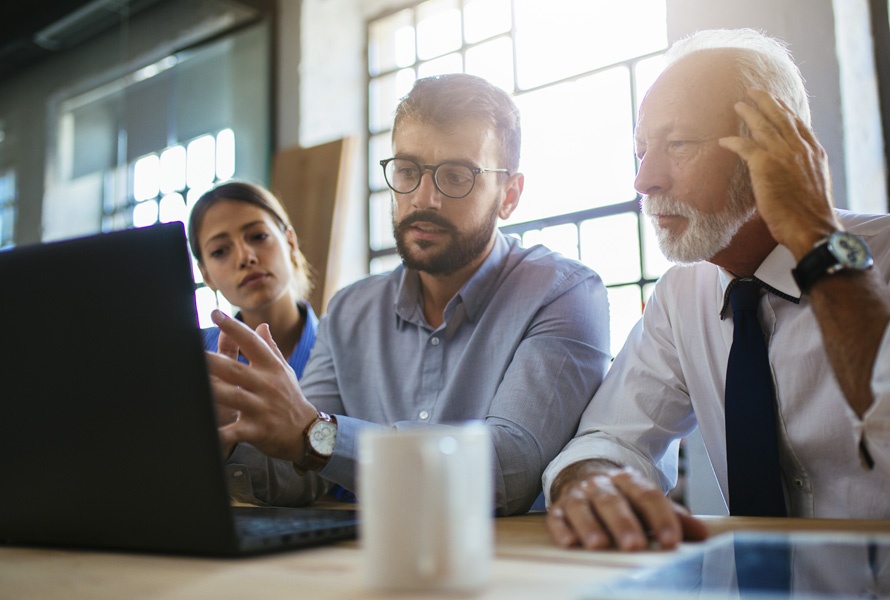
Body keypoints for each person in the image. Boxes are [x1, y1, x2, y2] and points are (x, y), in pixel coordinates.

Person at [543, 28, 890, 551]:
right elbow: (610, 437)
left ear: (778, 145)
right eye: (641, 151)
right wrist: (592, 480)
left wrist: (817, 241)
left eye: (677, 144)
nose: (645, 180)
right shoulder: (680, 296)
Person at [206, 73, 611, 514]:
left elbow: (509, 467)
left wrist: (315, 433)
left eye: (456, 176)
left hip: (511, 568)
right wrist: (231, 435)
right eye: (407, 170)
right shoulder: (349, 312)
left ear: (508, 196)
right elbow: (300, 469)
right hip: (378, 563)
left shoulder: (563, 294)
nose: (424, 199)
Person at [188, 181, 318, 380]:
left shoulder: (340, 346)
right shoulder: (195, 357)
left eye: (259, 236)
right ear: (206, 275)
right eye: (220, 251)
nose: (245, 257)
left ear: (290, 242)